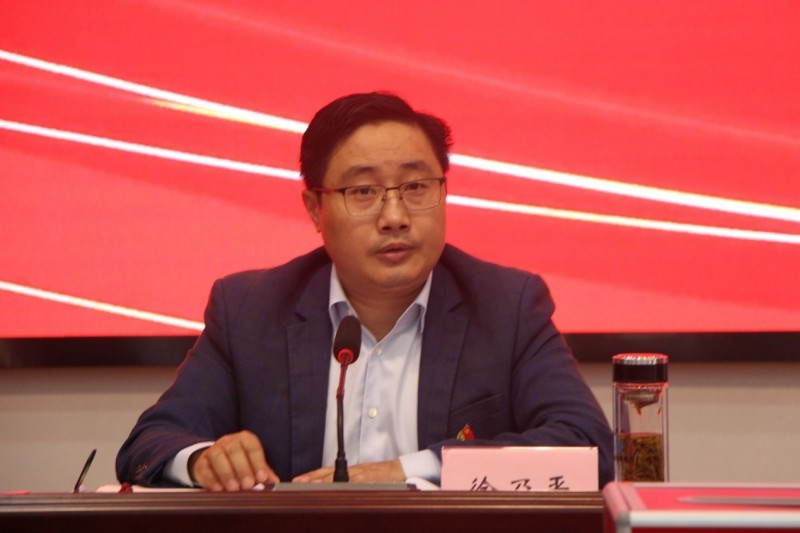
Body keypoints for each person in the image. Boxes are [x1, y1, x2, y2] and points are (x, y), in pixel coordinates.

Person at [116, 92, 613, 491]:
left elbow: (588, 448)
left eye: (416, 187)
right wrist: (203, 460)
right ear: (315, 209)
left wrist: (407, 471)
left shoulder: (506, 306)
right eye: (363, 192)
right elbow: (150, 443)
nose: (395, 217)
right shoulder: (251, 310)